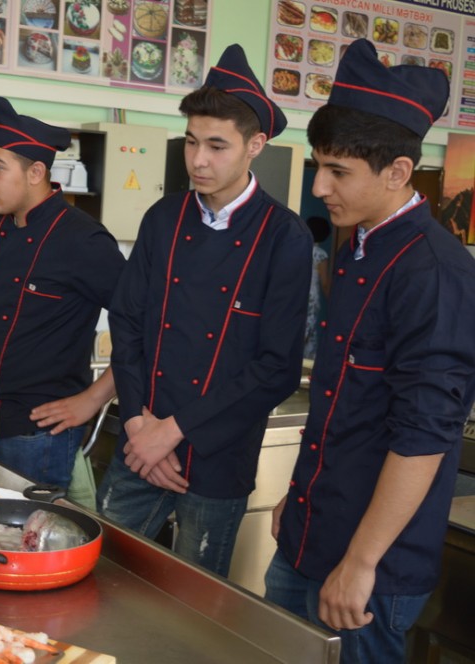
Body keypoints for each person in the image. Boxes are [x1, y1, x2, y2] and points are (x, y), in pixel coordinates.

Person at [266, 39, 475, 663]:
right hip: (309, 534)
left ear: (398, 173)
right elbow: (345, 404)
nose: (320, 186)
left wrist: (360, 562)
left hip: (367, 567)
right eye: (318, 165)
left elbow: (424, 433)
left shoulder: (432, 270)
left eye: (338, 172)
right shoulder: (359, 248)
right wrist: (298, 495)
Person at [95, 44, 313, 577]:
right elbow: (127, 321)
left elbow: (275, 369)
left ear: (255, 146)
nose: (198, 160)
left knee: (193, 603)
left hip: (217, 463)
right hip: (140, 447)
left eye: (217, 146)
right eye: (192, 142)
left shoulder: (283, 236)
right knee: (99, 574)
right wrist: (144, 424)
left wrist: (174, 431)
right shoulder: (164, 217)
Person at [0, 96, 124, 488]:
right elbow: (1, 301)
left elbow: (146, 323)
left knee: (28, 541)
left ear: (35, 172)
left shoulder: (82, 239)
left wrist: (95, 398)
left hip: (37, 433)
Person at [303, 215, 332, 359]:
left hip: (296, 294)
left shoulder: (298, 248)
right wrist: (333, 303)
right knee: (309, 331)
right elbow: (325, 282)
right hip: (311, 297)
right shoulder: (320, 254)